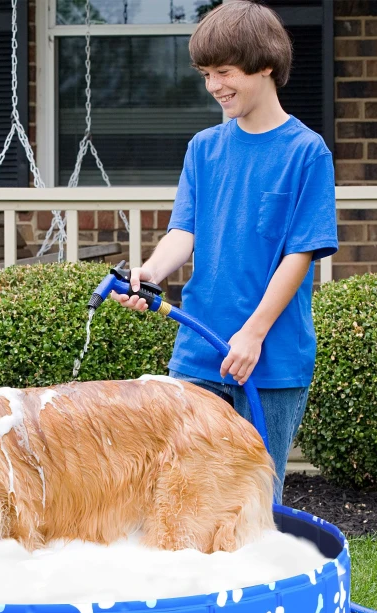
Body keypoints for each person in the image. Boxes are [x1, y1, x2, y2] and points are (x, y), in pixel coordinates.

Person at [114, 0, 338, 502]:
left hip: (272, 358)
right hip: (199, 353)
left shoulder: (306, 153)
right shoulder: (204, 148)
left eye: (224, 72)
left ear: (265, 66)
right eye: (205, 74)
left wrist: (253, 335)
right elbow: (184, 232)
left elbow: (298, 257)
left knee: (254, 500)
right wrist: (147, 272)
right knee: (187, 493)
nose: (214, 85)